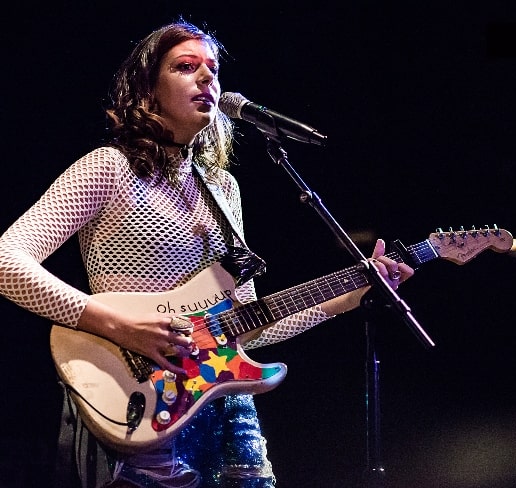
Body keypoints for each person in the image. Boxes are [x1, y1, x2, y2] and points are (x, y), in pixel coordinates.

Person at [0, 19, 413, 488]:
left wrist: (351, 295)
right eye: (186, 67)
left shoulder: (223, 188)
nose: (207, 79)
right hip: (140, 404)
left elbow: (247, 328)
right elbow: (5, 261)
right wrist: (115, 324)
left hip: (228, 412)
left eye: (213, 70)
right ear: (148, 90)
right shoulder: (108, 168)